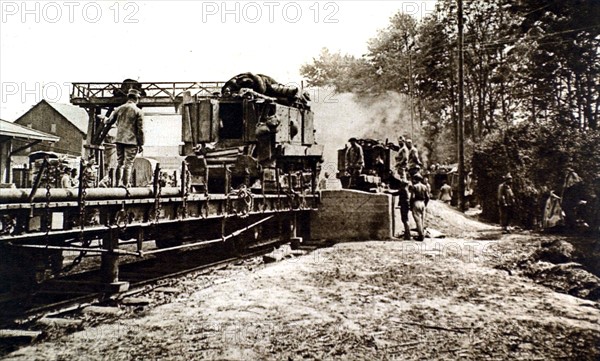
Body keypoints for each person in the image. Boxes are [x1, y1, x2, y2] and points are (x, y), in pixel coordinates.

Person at [103, 89, 144, 187]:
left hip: (119, 140)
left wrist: (103, 119)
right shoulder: (138, 111)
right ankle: (125, 184)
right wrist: (141, 143)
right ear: (136, 99)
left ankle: (117, 184)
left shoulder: (119, 108)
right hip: (131, 141)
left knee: (119, 163)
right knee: (128, 164)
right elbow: (140, 130)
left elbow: (108, 121)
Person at [411, 173, 430, 241]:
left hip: (416, 202)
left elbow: (412, 197)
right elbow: (428, 197)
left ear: (415, 179)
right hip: (423, 203)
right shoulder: (424, 186)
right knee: (422, 220)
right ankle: (422, 234)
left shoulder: (414, 186)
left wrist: (411, 205)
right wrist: (425, 204)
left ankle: (421, 235)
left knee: (417, 220)